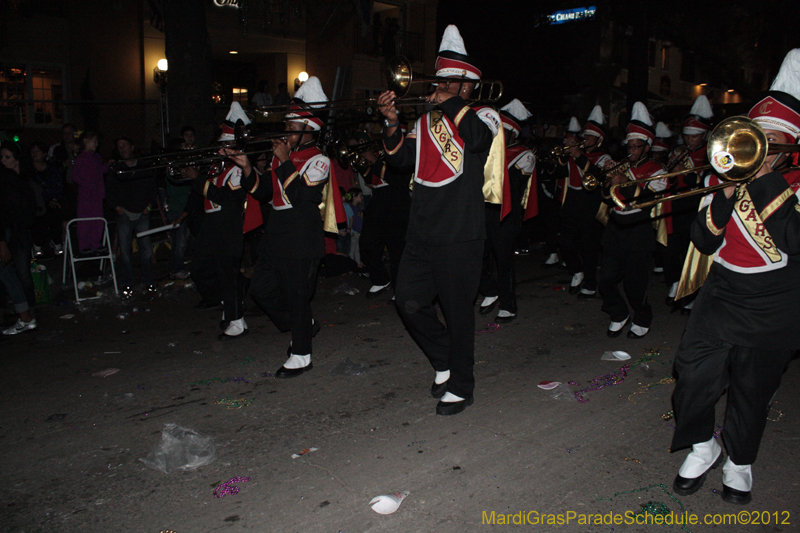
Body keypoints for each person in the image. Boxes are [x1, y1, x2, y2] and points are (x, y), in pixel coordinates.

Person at [670, 48, 800, 506]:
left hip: (777, 301)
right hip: (723, 291)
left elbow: (793, 239)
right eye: (754, 137)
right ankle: (703, 446)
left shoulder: (795, 186)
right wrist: (724, 194)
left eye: (770, 141)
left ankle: (739, 462)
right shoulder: (726, 175)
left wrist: (765, 179)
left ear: (788, 146)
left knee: (753, 388)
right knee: (690, 374)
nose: (756, 148)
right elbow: (703, 242)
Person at [377, 25, 501, 416]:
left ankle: (462, 385)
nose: (441, 87)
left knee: (458, 313)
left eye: (450, 81)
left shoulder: (483, 115)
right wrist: (391, 121)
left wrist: (448, 102)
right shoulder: (426, 119)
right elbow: (399, 161)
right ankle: (445, 359)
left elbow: (479, 141)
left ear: (466, 86)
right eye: (440, 81)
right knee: (408, 302)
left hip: (460, 234)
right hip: (423, 231)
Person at [246, 77, 344, 377]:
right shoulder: (282, 159)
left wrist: (285, 161)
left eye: (291, 127)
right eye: (286, 125)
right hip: (277, 232)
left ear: (309, 130)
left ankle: (301, 353)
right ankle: (303, 324)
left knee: (297, 295)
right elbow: (265, 192)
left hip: (301, 235)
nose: (285, 131)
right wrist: (246, 166)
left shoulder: (319, 161)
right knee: (259, 288)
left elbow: (302, 197)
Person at [190, 103, 263, 339]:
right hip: (212, 223)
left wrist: (197, 180)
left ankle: (236, 319)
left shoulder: (237, 170)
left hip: (227, 223)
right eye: (221, 144)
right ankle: (232, 300)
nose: (221, 149)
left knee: (226, 272)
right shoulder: (218, 166)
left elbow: (227, 198)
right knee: (202, 268)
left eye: (226, 145)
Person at [599, 102, 666, 339]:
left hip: (638, 230)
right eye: (629, 145)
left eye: (637, 146)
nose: (631, 150)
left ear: (647, 147)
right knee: (605, 279)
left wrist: (623, 181)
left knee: (634, 284)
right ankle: (618, 314)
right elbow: (607, 198)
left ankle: (642, 315)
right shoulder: (621, 165)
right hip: (616, 227)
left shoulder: (657, 170)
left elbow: (649, 198)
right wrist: (608, 181)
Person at [478, 99, 537, 323]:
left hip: (507, 214)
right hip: (484, 211)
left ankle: (508, 304)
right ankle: (491, 291)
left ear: (512, 133)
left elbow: (510, 185)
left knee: (503, 260)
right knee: (478, 256)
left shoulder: (525, 155)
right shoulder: (488, 153)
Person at [554, 106, 612, 298]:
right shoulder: (575, 155)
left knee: (589, 247)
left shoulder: (604, 158)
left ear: (599, 139)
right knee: (565, 242)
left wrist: (578, 156)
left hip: (590, 204)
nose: (585, 139)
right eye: (584, 136)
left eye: (589, 136)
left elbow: (596, 176)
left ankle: (589, 282)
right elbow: (560, 174)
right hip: (571, 202)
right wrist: (563, 157)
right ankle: (576, 270)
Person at [358, 132, 412, 299]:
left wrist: (374, 161)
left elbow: (398, 179)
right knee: (367, 243)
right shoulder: (381, 158)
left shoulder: (404, 155)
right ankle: (381, 279)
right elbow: (370, 180)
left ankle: (400, 289)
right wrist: (362, 164)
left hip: (397, 205)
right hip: (378, 203)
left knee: (397, 251)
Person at [106, 137, 158, 295]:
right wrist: (116, 207)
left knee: (146, 250)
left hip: (142, 212)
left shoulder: (143, 165)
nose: (122, 149)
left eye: (125, 145)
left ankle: (148, 281)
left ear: (132, 146)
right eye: (119, 146)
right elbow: (109, 189)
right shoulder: (116, 167)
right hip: (124, 214)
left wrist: (149, 206)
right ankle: (127, 283)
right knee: (126, 252)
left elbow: (152, 186)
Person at [0, 141, 38, 334]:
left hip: (18, 232)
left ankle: (27, 313)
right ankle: (23, 312)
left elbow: (30, 207)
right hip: (10, 231)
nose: (3, 160)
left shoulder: (20, 179)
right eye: (2, 157)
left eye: (7, 157)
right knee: (9, 273)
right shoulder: (6, 179)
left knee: (20, 273)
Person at [70, 131, 108, 253]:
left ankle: (95, 242)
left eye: (97, 142)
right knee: (85, 220)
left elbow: (99, 171)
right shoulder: (81, 158)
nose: (96, 144)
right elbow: (75, 176)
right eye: (94, 141)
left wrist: (108, 166)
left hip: (97, 195)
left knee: (97, 219)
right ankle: (84, 244)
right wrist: (88, 184)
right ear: (86, 141)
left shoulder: (97, 157)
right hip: (85, 195)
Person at [30, 142, 65, 255]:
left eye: (38, 151)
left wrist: (55, 198)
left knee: (54, 214)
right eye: (33, 151)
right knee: (38, 218)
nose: (35, 154)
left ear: (44, 153)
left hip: (50, 200)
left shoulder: (52, 169)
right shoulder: (28, 170)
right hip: (34, 203)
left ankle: (56, 242)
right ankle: (37, 244)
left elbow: (58, 185)